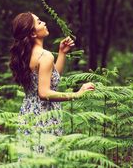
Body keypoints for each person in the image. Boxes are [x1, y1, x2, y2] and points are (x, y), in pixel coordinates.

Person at [9, 12, 95, 155]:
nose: (44, 23)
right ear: (33, 34)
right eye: (39, 22)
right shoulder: (45, 56)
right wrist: (77, 94)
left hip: (27, 113)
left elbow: (50, 81)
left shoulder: (26, 55)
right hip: (44, 116)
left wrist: (62, 53)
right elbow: (44, 93)